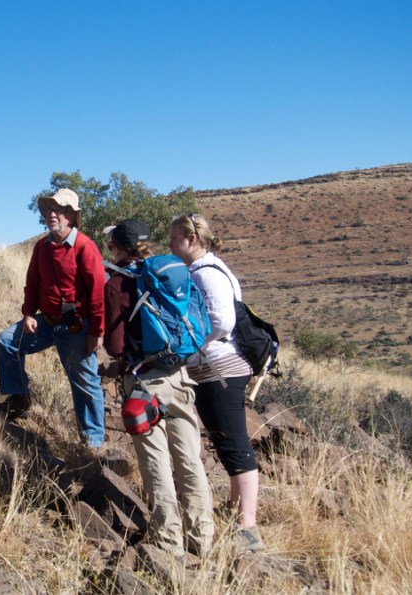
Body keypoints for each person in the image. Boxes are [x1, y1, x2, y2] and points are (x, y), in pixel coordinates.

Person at [102, 219, 214, 558]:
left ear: (115, 246)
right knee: (189, 460)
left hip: (143, 384)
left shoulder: (119, 282)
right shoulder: (169, 271)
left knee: (156, 461)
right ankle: (203, 539)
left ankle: (168, 540)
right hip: (180, 376)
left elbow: (116, 346)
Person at [169, 213, 264, 553]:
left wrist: (192, 342)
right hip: (221, 368)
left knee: (234, 445)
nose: (169, 244)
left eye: (174, 238)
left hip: (218, 370)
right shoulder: (209, 268)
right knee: (230, 443)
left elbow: (221, 321)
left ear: (190, 239)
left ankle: (248, 528)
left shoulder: (206, 273)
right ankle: (238, 513)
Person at [0, 188, 107, 448]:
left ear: (71, 216)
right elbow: (32, 283)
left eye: (58, 210)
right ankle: (19, 396)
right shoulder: (42, 246)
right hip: (46, 322)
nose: (51, 214)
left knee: (85, 385)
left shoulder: (84, 247)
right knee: (6, 342)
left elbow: (98, 294)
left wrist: (96, 332)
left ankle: (93, 444)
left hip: (78, 327)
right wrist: (28, 314)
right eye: (49, 210)